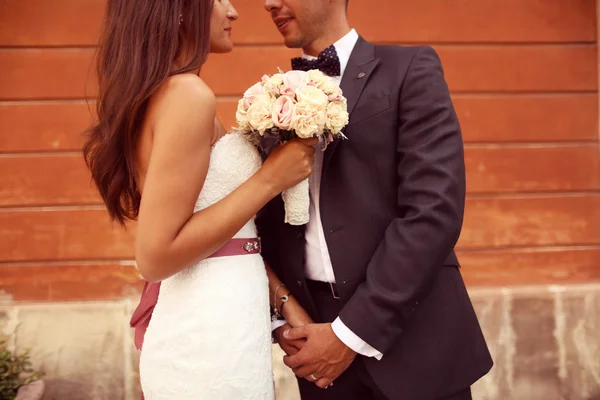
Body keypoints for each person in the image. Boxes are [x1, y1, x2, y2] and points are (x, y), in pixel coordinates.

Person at [256, 0, 494, 399]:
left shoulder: (410, 68)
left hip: (413, 338)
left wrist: (349, 335)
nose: (269, 3)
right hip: (316, 349)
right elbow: (265, 223)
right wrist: (284, 320)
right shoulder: (268, 101)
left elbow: (433, 210)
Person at [82, 0, 315, 398]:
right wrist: (270, 179)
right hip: (209, 332)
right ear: (179, 10)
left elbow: (223, 232)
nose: (233, 12)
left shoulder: (171, 93)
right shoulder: (188, 96)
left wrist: (283, 302)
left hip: (223, 318)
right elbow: (155, 256)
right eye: (219, 0)